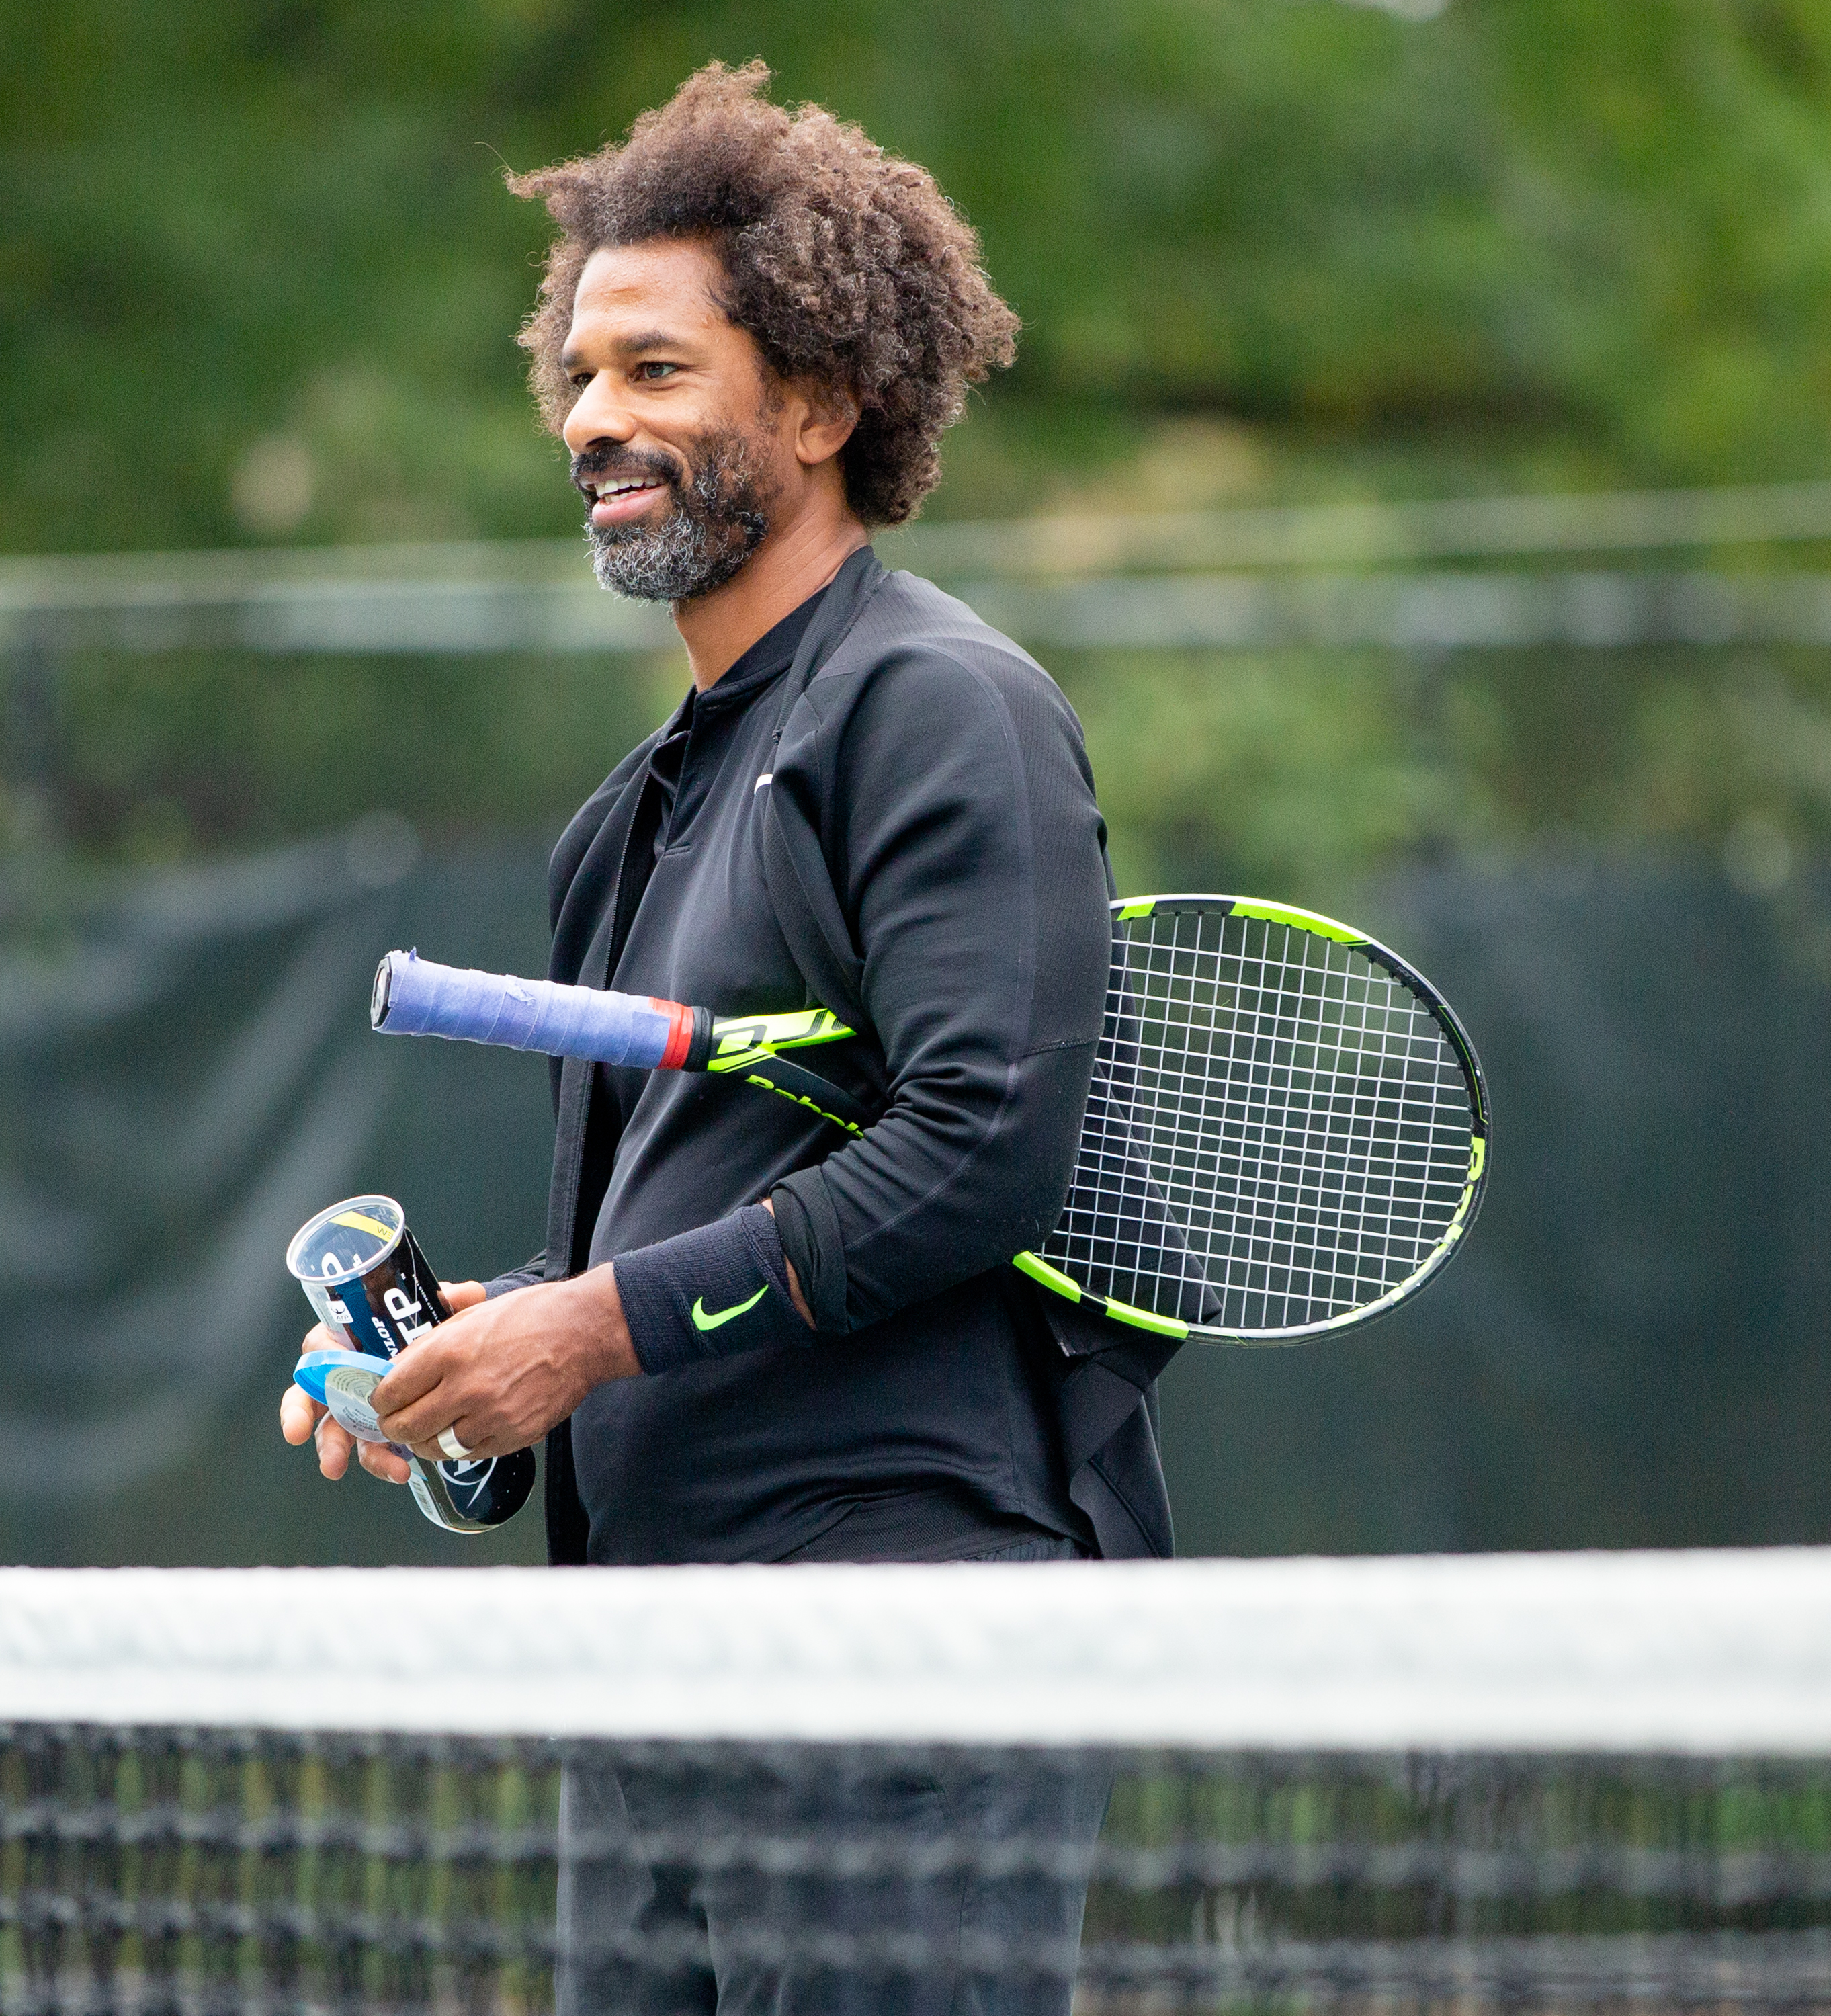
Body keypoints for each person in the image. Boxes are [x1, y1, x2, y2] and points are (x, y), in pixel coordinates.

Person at [277, 60, 1176, 2016]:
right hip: (647, 1691)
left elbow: (978, 1141)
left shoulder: (943, 710)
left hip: (896, 1659)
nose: (597, 417)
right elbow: (668, 1238)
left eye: (661, 371)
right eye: (583, 374)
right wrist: (464, 1353)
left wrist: (582, 1329)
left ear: (826, 402)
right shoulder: (637, 810)